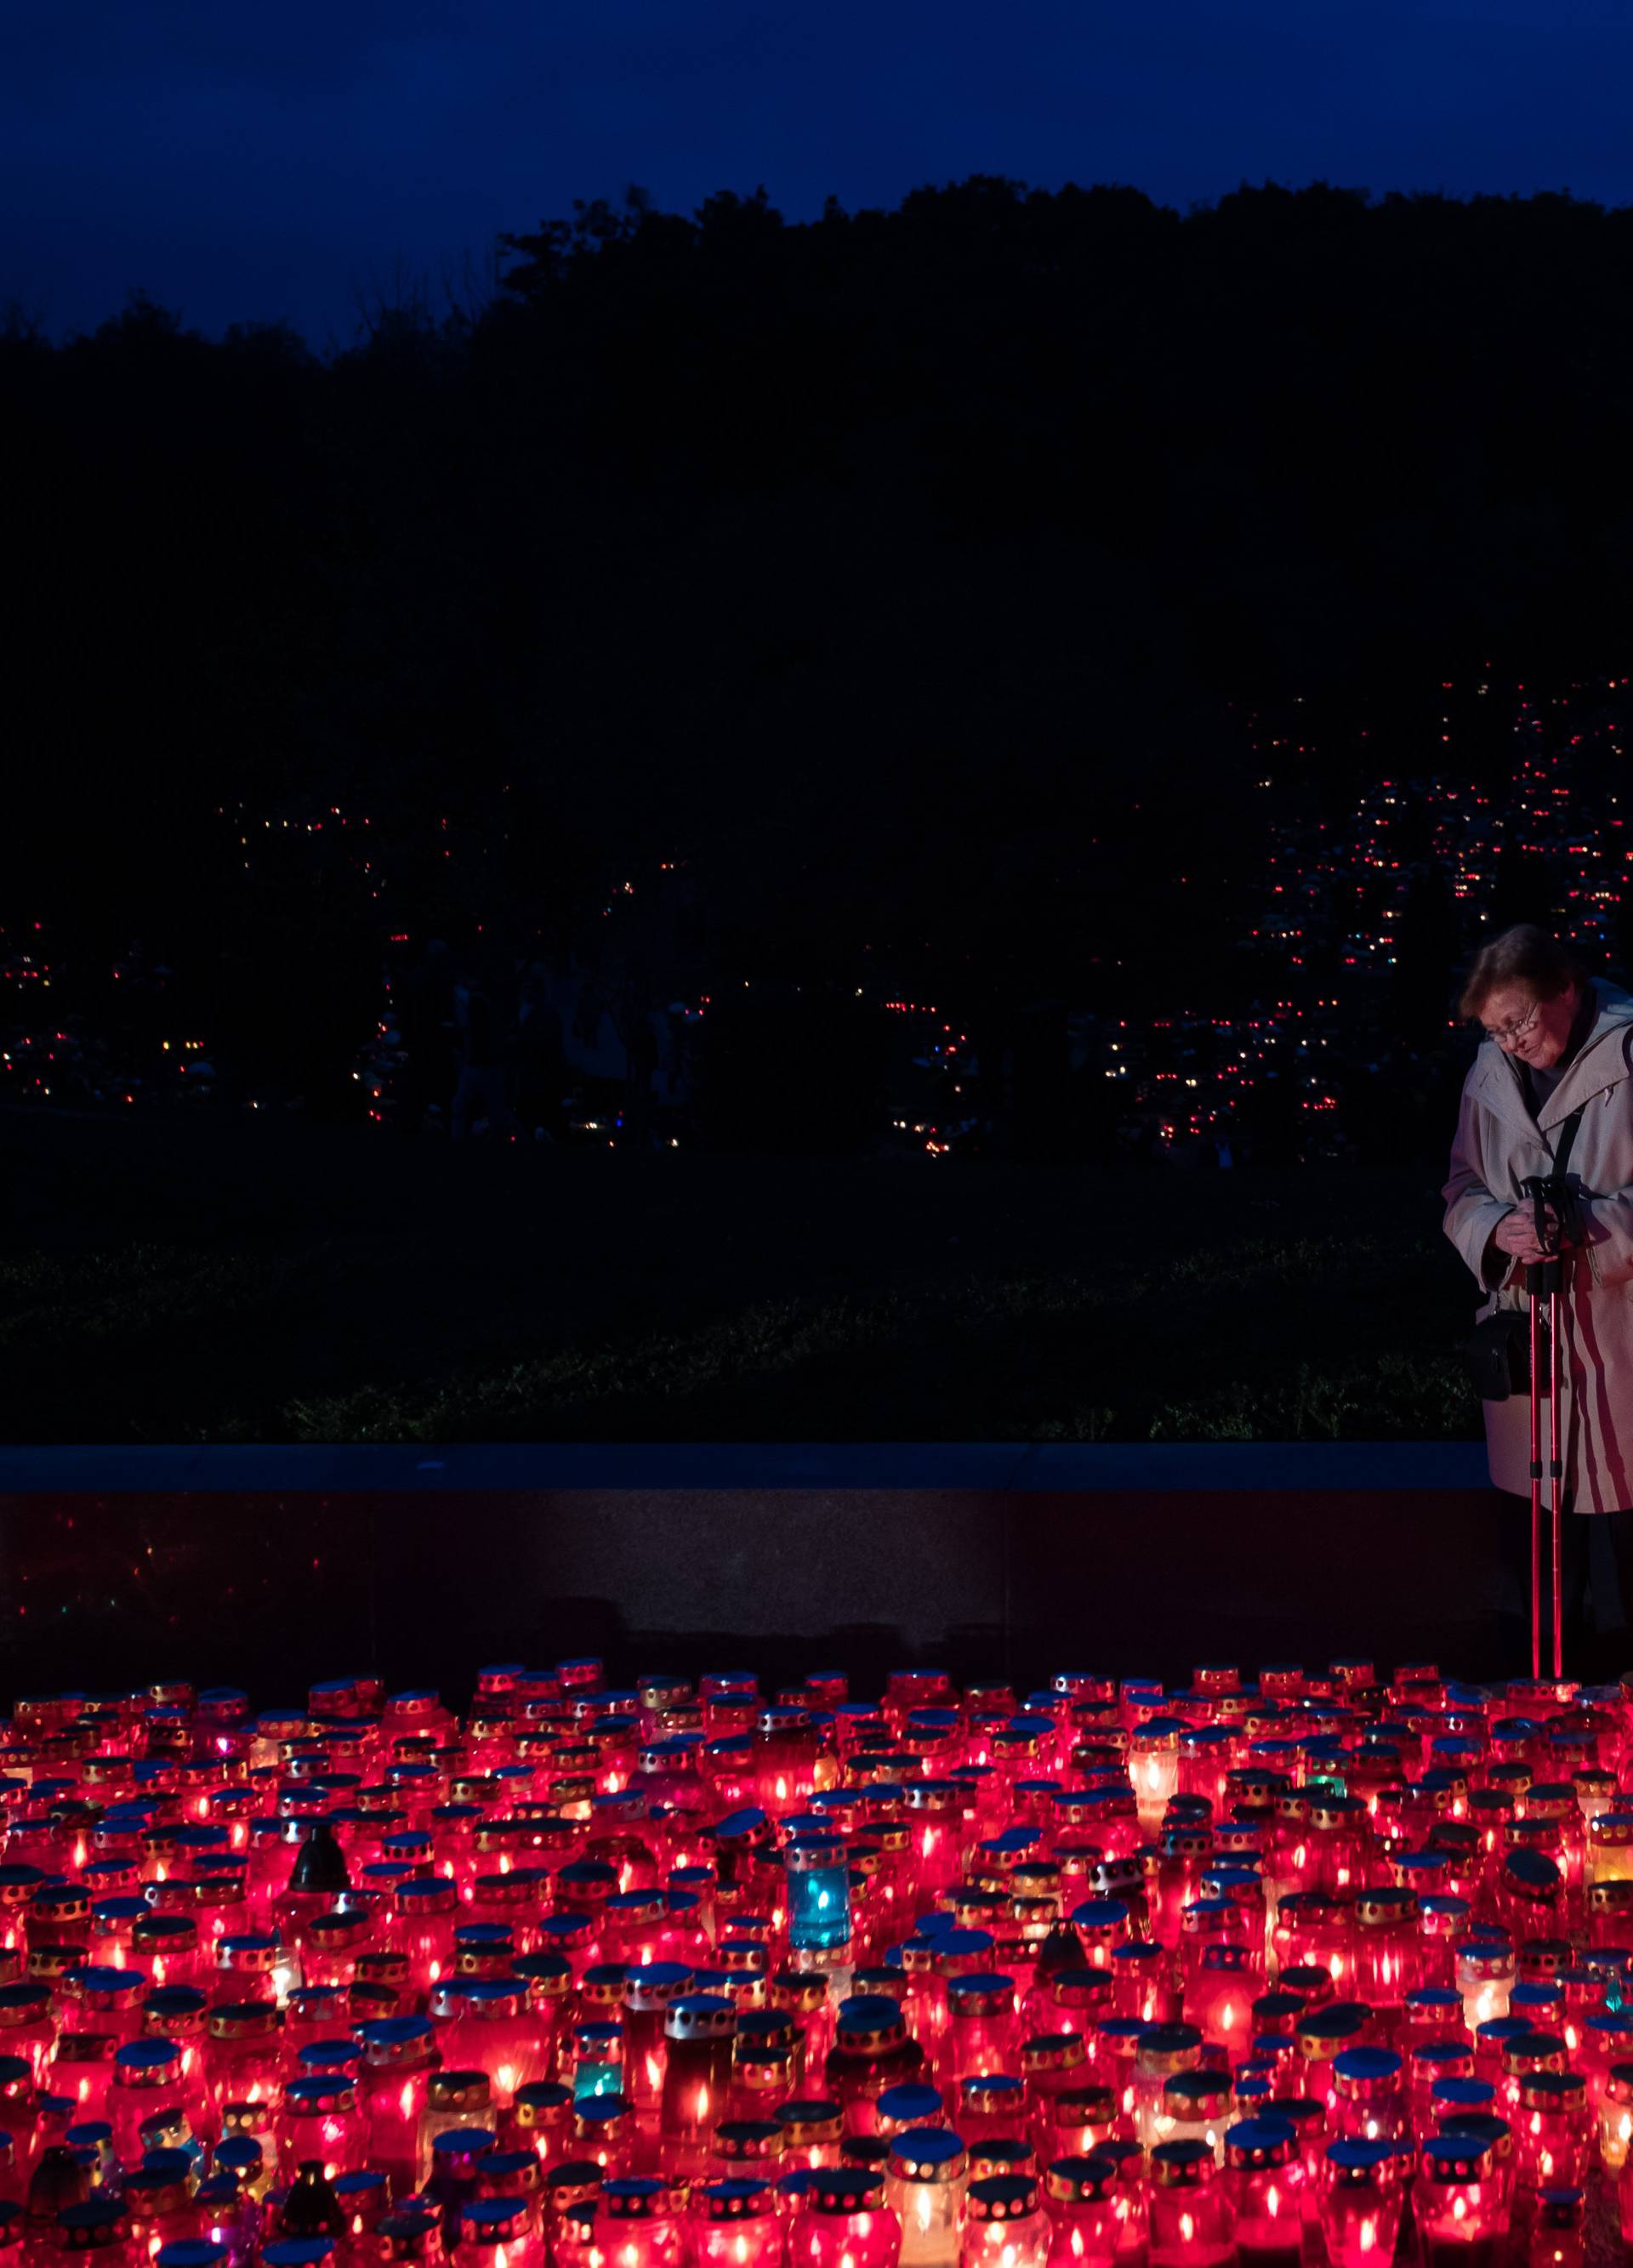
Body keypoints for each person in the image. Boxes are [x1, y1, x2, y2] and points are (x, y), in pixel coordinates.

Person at [1442, 924, 1633, 1659]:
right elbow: (1460, 1187)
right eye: (1495, 1029)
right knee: (1543, 1587)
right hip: (1531, 1359)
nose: (1511, 1041)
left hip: (1616, 1338)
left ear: (1567, 988)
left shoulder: (1625, 1051)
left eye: (1519, 1019)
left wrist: (1585, 1224)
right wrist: (1497, 1229)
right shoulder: (1488, 1073)